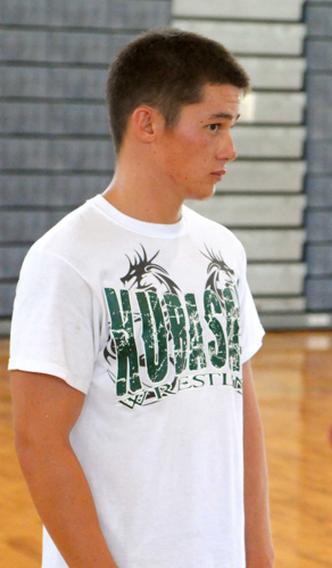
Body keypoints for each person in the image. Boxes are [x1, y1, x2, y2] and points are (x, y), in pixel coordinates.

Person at [7, 29, 273, 567]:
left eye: (231, 127)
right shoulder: (65, 259)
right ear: (148, 122)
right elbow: (39, 442)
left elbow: (240, 411)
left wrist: (257, 551)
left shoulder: (223, 250)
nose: (230, 149)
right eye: (213, 126)